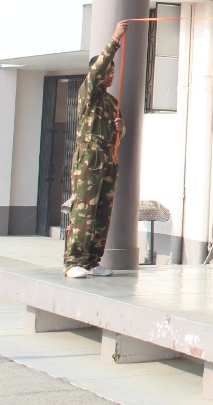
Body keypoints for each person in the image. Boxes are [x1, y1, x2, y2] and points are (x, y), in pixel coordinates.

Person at [63, 20, 129, 279]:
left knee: (102, 211)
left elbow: (117, 135)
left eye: (113, 72)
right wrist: (116, 37)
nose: (111, 75)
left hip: (108, 159)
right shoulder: (87, 92)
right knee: (84, 210)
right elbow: (99, 67)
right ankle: (73, 261)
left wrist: (121, 128)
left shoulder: (112, 101)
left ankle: (92, 261)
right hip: (89, 158)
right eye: (107, 71)